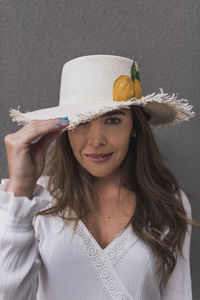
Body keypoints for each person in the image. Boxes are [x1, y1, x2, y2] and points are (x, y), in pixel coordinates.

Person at [0, 54, 199, 300]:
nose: (96, 141)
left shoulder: (168, 201)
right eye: (81, 122)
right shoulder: (27, 201)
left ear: (135, 127)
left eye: (113, 120)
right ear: (63, 129)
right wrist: (20, 190)